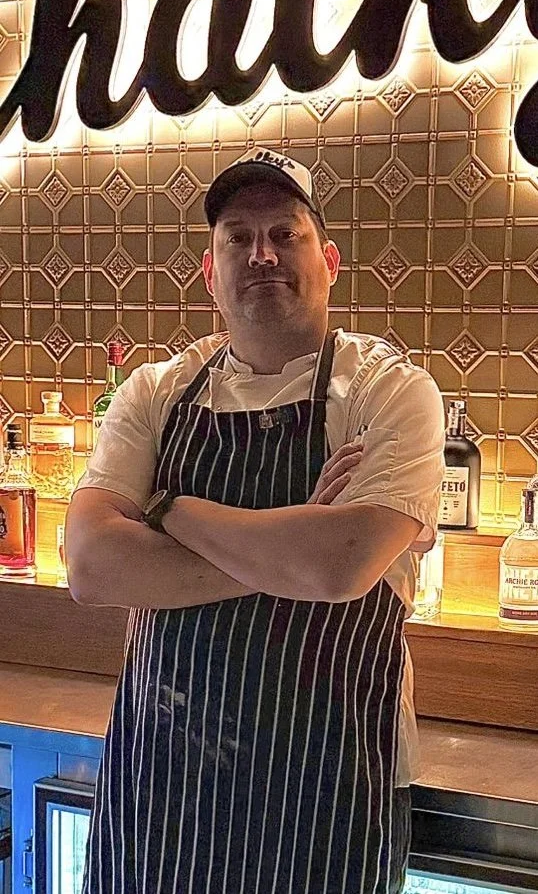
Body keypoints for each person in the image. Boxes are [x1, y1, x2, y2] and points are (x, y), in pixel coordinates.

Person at [66, 146, 445, 894]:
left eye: (286, 233)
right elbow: (92, 566)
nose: (261, 253)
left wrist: (168, 509)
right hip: (159, 795)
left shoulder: (389, 392)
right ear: (210, 271)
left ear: (329, 260)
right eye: (237, 237)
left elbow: (338, 563)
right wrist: (288, 538)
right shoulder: (158, 392)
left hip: (324, 799)